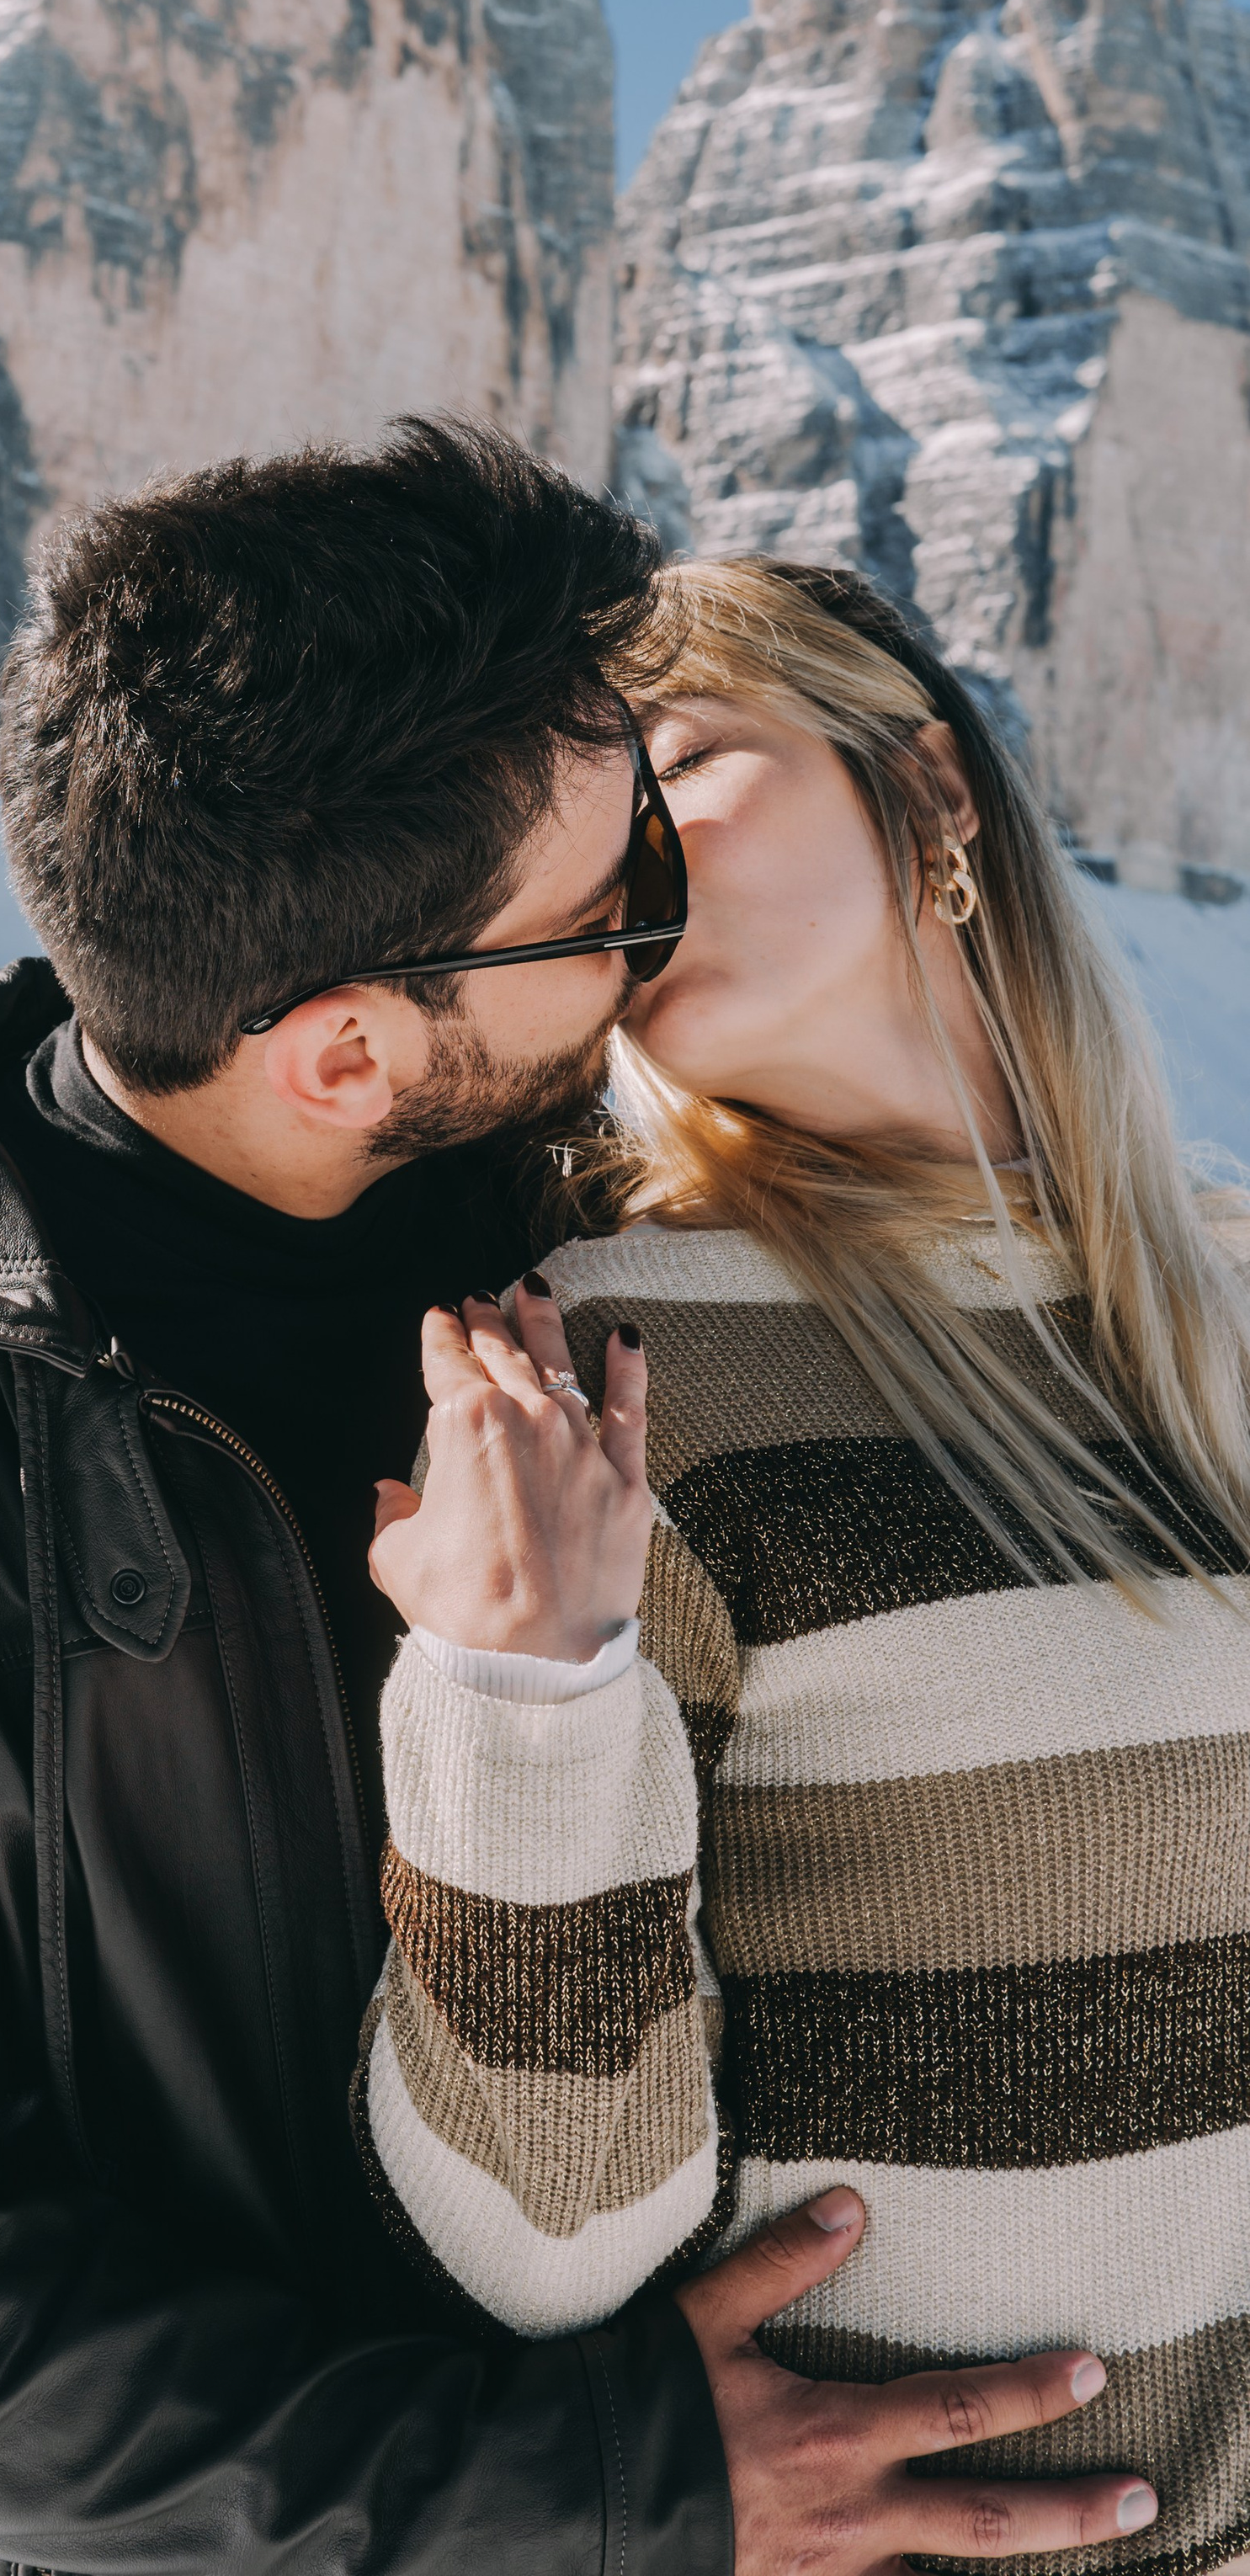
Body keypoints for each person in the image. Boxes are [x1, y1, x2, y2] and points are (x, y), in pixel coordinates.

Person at [0, 434, 1135, 2576]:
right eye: (618, 912)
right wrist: (579, 2484)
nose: (651, 959)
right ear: (344, 1054)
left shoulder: (614, 1251)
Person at [362, 556, 1250, 2576]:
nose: (632, 870)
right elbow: (547, 2229)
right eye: (579, 851)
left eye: (676, 761)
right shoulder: (609, 1365)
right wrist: (518, 1701)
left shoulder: (1225, 1293)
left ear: (927, 790)